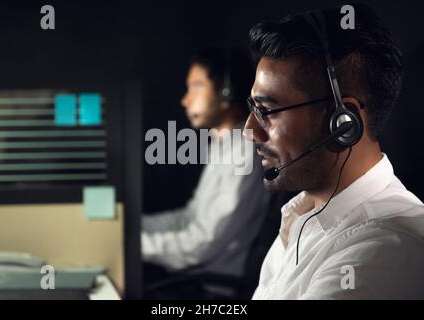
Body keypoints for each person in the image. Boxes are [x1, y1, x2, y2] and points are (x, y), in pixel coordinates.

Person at [245, 4, 424, 299]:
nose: (250, 129)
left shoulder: (385, 249)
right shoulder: (305, 215)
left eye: (266, 110)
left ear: (343, 122)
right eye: (253, 108)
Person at [142, 47, 277, 297]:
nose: (186, 100)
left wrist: (133, 244)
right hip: (196, 279)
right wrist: (133, 227)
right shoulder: (224, 145)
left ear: (226, 92)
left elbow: (202, 244)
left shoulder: (246, 152)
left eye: (196, 86)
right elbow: (191, 217)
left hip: (215, 291)